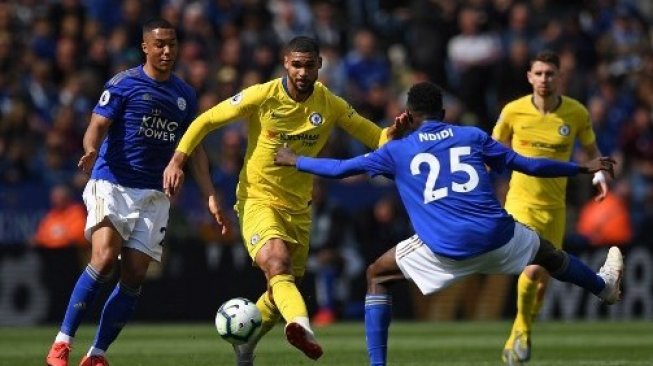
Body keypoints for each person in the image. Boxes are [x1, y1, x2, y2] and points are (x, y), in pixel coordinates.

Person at [274, 81, 623, 366]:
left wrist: (295, 159)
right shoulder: (472, 136)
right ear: (443, 113)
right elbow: (528, 164)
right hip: (498, 237)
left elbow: (340, 169)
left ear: (408, 116)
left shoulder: (397, 150)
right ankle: (601, 286)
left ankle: (377, 365)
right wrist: (581, 168)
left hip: (446, 248)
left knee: (377, 275)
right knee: (546, 252)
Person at [163, 36, 406, 364]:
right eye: (296, 64)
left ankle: (246, 345)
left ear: (319, 64)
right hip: (257, 199)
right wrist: (178, 160)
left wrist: (393, 133)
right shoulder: (263, 96)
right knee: (277, 264)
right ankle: (302, 326)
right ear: (285, 64)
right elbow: (206, 120)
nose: (302, 72)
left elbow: (373, 137)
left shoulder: (329, 104)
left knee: (281, 288)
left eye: (308, 65)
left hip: (299, 209)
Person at [46, 18, 228, 366]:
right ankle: (61, 344)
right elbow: (96, 126)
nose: (166, 50)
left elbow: (196, 151)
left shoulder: (185, 95)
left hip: (154, 194)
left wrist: (209, 195)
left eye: (172, 44)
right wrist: (90, 149)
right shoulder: (124, 83)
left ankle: (96, 354)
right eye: (159, 44)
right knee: (103, 257)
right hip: (112, 181)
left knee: (135, 275)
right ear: (145, 47)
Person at [491, 50, 609, 365]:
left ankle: (522, 331)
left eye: (550, 74)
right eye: (539, 73)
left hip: (555, 208)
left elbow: (592, 151)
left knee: (542, 275)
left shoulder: (576, 113)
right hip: (520, 203)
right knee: (531, 267)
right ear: (529, 77)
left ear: (560, 77)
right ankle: (521, 331)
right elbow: (490, 150)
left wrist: (598, 176)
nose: (544, 79)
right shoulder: (513, 112)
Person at [32, 184, 87, 249]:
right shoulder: (50, 215)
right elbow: (40, 236)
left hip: (72, 252)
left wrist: (52, 238)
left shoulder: (77, 212)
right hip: (50, 252)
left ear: (67, 198)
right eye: (54, 198)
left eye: (59, 197)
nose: (56, 201)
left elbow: (76, 236)